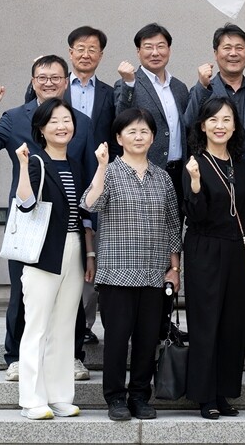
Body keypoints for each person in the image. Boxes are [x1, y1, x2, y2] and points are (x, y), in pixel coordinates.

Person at [0, 54, 95, 382]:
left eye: (55, 77)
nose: (49, 83)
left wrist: (88, 228)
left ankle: (72, 356)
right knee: (22, 291)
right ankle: (15, 357)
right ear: (33, 81)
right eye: (42, 77)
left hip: (68, 223)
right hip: (28, 220)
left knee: (70, 293)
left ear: (66, 82)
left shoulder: (80, 122)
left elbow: (87, 175)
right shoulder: (15, 118)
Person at [81, 108, 182, 421]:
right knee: (116, 340)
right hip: (117, 274)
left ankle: (139, 395)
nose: (139, 137)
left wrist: (175, 269)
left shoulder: (162, 177)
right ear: (119, 137)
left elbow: (173, 225)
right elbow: (90, 203)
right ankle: (115, 397)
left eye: (144, 131)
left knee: (147, 340)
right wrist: (100, 166)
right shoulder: (110, 172)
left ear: (153, 138)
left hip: (154, 274)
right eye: (132, 131)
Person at [25, 27, 117, 346]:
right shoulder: (56, 88)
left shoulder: (109, 93)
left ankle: (82, 329)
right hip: (48, 182)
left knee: (83, 266)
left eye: (93, 49)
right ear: (70, 52)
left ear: (100, 54)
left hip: (88, 174)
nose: (86, 54)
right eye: (80, 48)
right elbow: (34, 107)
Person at [185, 23, 245, 346]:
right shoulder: (204, 89)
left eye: (240, 48)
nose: (233, 53)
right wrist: (201, 86)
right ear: (215, 53)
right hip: (212, 180)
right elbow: (189, 126)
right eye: (227, 47)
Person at [13, 98, 93, 420]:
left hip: (74, 247)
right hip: (44, 252)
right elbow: (26, 204)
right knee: (37, 327)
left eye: (67, 120)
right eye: (54, 121)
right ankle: (31, 400)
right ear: (42, 129)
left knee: (63, 326)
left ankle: (59, 396)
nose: (62, 126)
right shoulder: (36, 162)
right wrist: (22, 167)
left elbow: (83, 212)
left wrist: (89, 254)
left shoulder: (75, 164)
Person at [181, 97, 245, 420]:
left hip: (236, 249)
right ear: (202, 126)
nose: (219, 126)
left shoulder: (240, 165)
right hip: (205, 248)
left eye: (226, 120)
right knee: (206, 322)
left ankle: (223, 392)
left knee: (232, 323)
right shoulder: (195, 163)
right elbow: (194, 215)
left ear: (235, 126)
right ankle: (204, 395)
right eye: (213, 120)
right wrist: (196, 183)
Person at [115, 22, 189, 200]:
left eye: (161, 46)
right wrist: (129, 84)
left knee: (176, 218)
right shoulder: (127, 83)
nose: (155, 53)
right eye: (148, 47)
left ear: (169, 50)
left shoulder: (179, 87)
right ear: (138, 51)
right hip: (143, 172)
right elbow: (121, 119)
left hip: (179, 173)